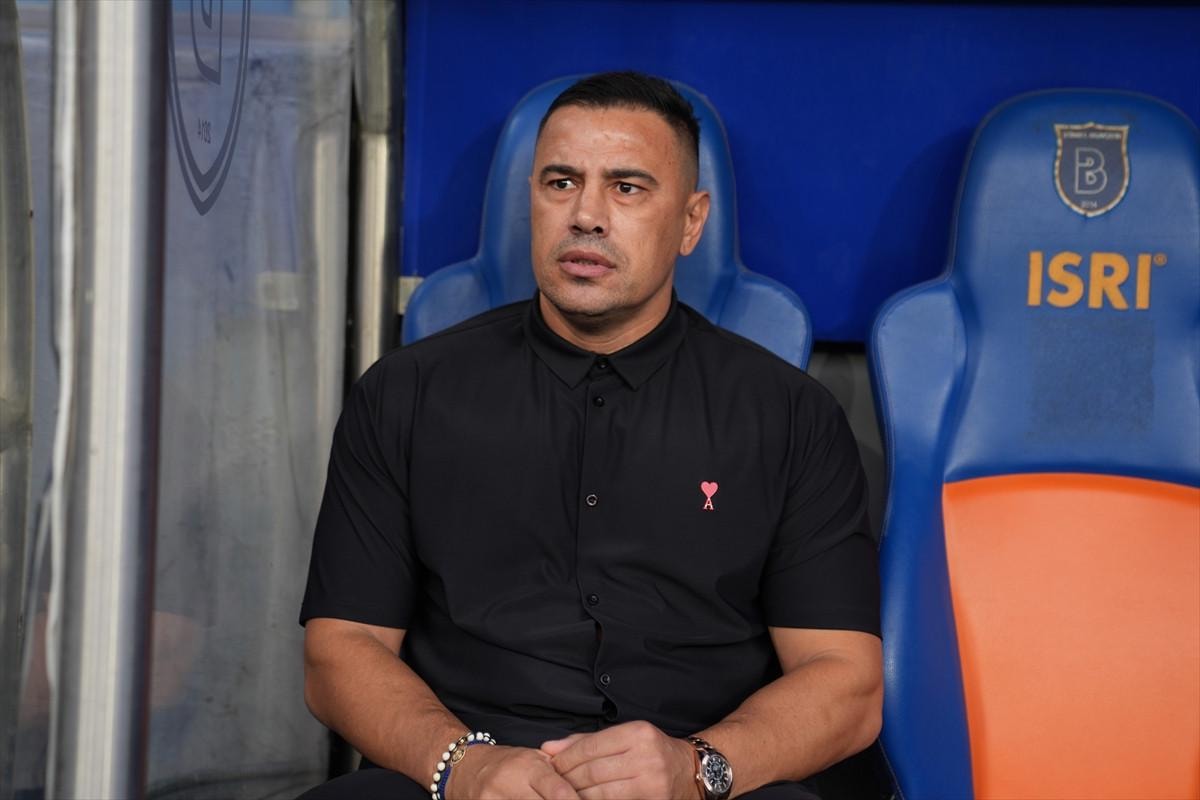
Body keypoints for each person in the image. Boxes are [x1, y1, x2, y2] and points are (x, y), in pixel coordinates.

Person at [298, 71, 881, 800]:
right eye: (561, 182)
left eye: (627, 188)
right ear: (532, 201)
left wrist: (695, 768)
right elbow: (340, 651)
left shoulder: (791, 417)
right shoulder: (405, 395)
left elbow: (845, 681)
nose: (586, 216)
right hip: (465, 771)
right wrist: (464, 766)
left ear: (692, 221)